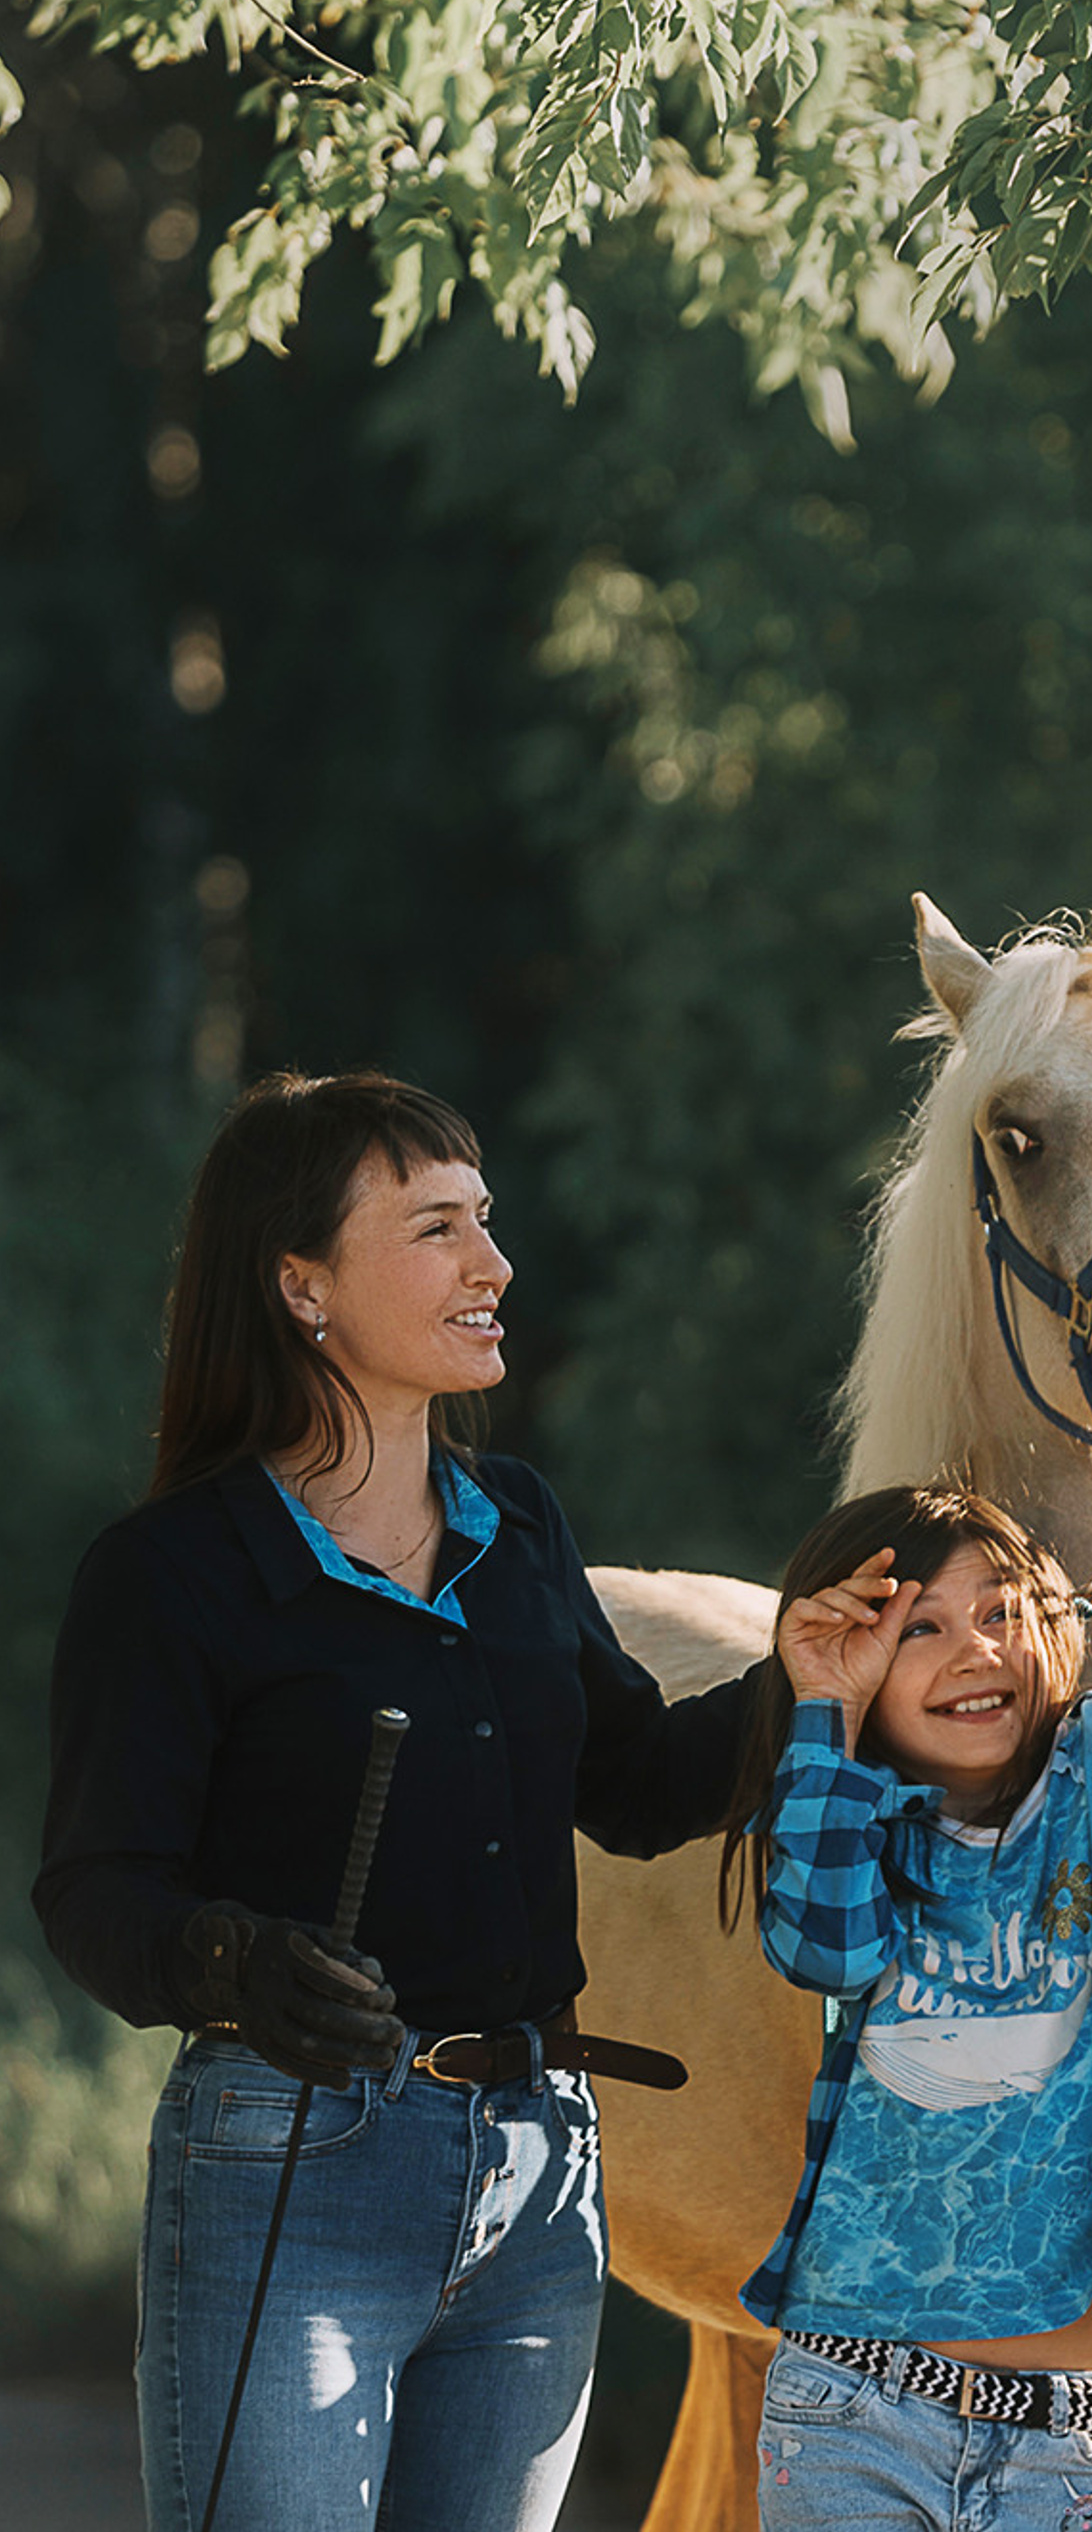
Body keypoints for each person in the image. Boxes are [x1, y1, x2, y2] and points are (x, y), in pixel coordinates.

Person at [34, 1069, 760, 2532]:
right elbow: (95, 1890)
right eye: (437, 1228)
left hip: (545, 2186)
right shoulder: (171, 1572)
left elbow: (634, 1788)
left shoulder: (524, 1531)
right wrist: (232, 1961)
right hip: (292, 2170)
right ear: (301, 1287)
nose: (493, 1265)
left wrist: (817, 1679)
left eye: (483, 1221)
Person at [722, 1484, 1092, 2532]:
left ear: (1055, 1628)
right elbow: (824, 1946)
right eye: (922, 1629)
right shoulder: (862, 1821)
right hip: (853, 2409)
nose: (974, 1651)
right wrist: (824, 1704)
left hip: (1075, 2437)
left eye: (1002, 1612)